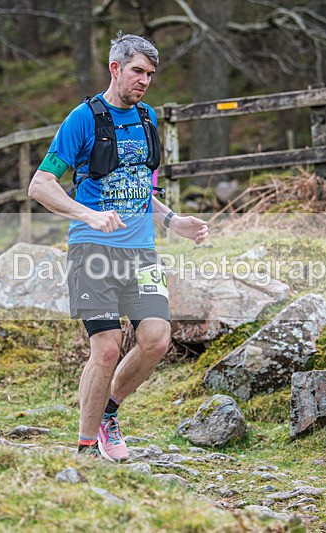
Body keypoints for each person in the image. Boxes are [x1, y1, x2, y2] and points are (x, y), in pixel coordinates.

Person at [28, 33, 209, 461]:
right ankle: (85, 448)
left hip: (141, 253)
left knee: (156, 339)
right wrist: (87, 215)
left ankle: (109, 412)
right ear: (115, 69)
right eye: (137, 72)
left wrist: (173, 221)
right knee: (107, 348)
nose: (144, 81)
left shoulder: (147, 119)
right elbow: (40, 185)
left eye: (150, 74)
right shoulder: (83, 119)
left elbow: (140, 189)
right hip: (93, 249)